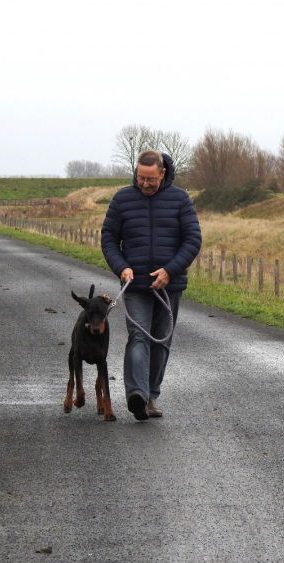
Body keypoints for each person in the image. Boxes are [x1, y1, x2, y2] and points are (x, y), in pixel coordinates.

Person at [101, 150, 202, 420]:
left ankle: (151, 396)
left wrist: (170, 271)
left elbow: (192, 239)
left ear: (162, 173)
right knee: (138, 336)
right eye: (140, 178)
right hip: (135, 286)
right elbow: (109, 239)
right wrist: (121, 267)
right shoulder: (122, 199)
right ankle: (137, 394)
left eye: (150, 179)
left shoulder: (180, 199)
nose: (144, 184)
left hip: (169, 287)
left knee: (161, 342)